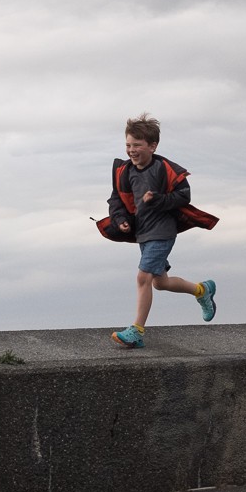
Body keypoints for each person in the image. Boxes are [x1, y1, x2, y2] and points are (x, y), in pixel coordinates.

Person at [100, 113, 219, 349]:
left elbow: (184, 195)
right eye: (128, 145)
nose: (131, 150)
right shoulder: (125, 171)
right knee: (160, 283)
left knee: (143, 277)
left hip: (162, 232)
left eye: (137, 145)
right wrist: (121, 219)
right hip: (143, 233)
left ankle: (137, 331)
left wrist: (157, 200)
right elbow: (116, 201)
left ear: (152, 146)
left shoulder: (164, 168)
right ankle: (202, 290)